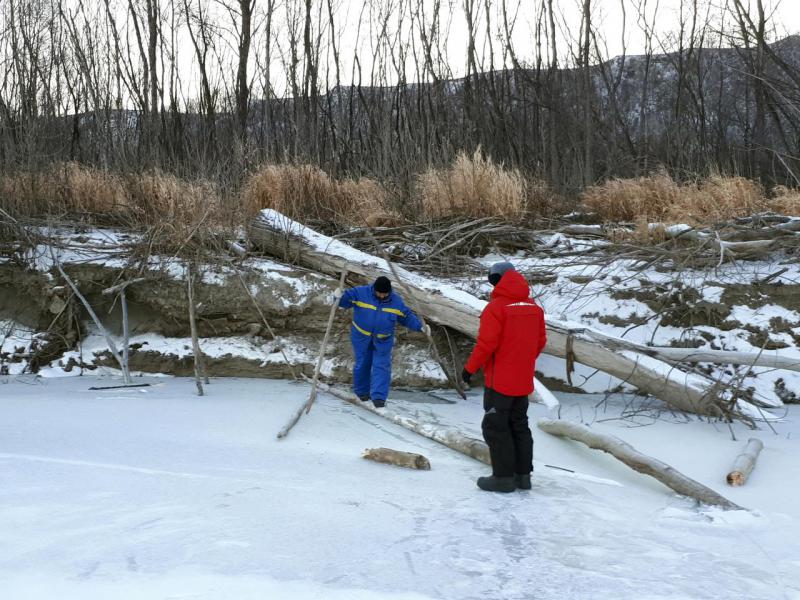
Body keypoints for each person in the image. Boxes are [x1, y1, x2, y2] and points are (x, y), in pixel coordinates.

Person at [461, 262, 547, 493]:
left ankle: (503, 478)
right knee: (519, 425)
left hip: (499, 381)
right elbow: (540, 341)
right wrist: (522, 360)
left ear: (496, 280)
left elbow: (486, 345)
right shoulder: (534, 308)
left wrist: (469, 369)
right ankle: (523, 476)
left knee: (496, 427)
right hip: (522, 379)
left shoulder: (496, 308)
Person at [337, 276, 428, 408]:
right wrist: (338, 297)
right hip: (361, 336)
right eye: (379, 293)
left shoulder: (396, 301)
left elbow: (406, 316)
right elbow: (345, 301)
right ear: (374, 289)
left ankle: (379, 398)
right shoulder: (360, 293)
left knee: (382, 365)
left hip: (383, 339)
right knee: (363, 363)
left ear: (389, 291)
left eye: (385, 294)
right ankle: (362, 393)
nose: (382, 296)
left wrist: (420, 326)